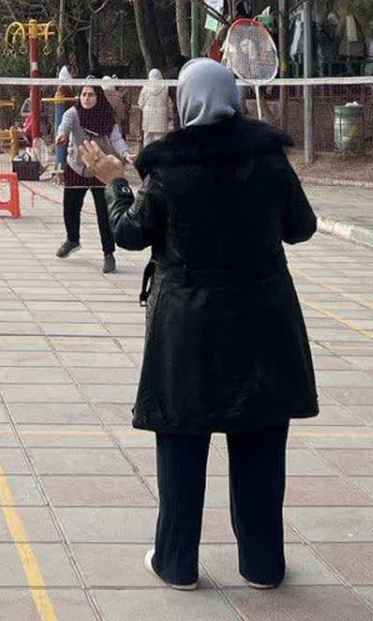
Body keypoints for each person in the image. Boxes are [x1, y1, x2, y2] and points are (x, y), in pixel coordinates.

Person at [77, 57, 318, 591]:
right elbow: (301, 227)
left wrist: (116, 183)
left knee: (182, 438)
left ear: (183, 102)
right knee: (260, 439)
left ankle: (176, 562)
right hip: (262, 319)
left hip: (187, 324)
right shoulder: (269, 158)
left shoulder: (169, 167)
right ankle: (262, 565)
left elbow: (131, 234)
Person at [55, 83, 130, 274]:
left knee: (104, 214)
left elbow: (116, 139)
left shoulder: (107, 116)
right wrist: (61, 135)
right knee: (70, 208)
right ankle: (72, 240)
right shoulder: (72, 113)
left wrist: (126, 154)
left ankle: (108, 254)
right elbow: (64, 127)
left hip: (100, 169)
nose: (86, 98)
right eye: (84, 94)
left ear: (98, 97)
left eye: (91, 95)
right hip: (76, 167)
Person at [138, 69, 175, 148]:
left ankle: (147, 154)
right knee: (160, 140)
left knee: (147, 139)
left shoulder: (145, 87)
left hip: (147, 118)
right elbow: (169, 103)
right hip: (161, 117)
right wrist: (170, 115)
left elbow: (140, 103)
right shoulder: (165, 87)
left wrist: (145, 110)